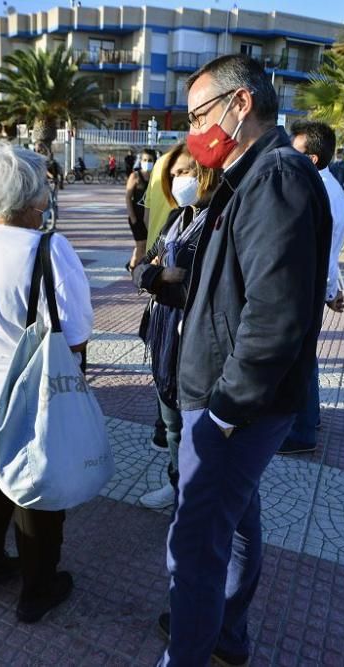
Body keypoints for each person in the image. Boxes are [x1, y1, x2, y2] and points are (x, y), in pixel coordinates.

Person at [159, 54, 331, 665]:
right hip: (229, 399)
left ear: (240, 105)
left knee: (195, 541)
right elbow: (237, 290)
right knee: (232, 528)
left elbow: (274, 316)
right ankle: (225, 637)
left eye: (198, 113)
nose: (191, 131)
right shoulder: (248, 177)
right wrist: (173, 285)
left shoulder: (275, 177)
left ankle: (190, 652)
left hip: (234, 406)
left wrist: (225, 411)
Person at [0, 143, 92, 623]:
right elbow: (77, 330)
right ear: (35, 198)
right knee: (38, 492)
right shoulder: (48, 248)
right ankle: (37, 589)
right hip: (23, 401)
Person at [132, 142, 218, 510]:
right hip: (164, 332)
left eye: (188, 172)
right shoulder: (176, 218)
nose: (180, 180)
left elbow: (196, 286)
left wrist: (155, 276)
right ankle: (175, 482)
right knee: (170, 422)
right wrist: (158, 274)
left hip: (194, 337)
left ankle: (194, 494)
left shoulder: (217, 224)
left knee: (194, 424)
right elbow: (138, 269)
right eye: (175, 174)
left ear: (208, 173)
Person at [280, 120, 344, 455]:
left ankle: (301, 432)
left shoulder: (317, 190)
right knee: (306, 357)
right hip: (315, 284)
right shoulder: (327, 186)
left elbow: (320, 249)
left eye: (293, 152)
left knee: (300, 360)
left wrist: (326, 290)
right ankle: (311, 418)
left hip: (306, 287)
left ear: (310, 158)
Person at [125, 149, 156, 270]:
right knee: (141, 245)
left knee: (148, 246)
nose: (147, 162)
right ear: (140, 161)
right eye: (145, 160)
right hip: (137, 217)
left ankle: (141, 268)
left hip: (150, 217)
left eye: (150, 160)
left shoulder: (156, 176)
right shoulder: (135, 176)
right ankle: (132, 267)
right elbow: (128, 197)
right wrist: (132, 217)